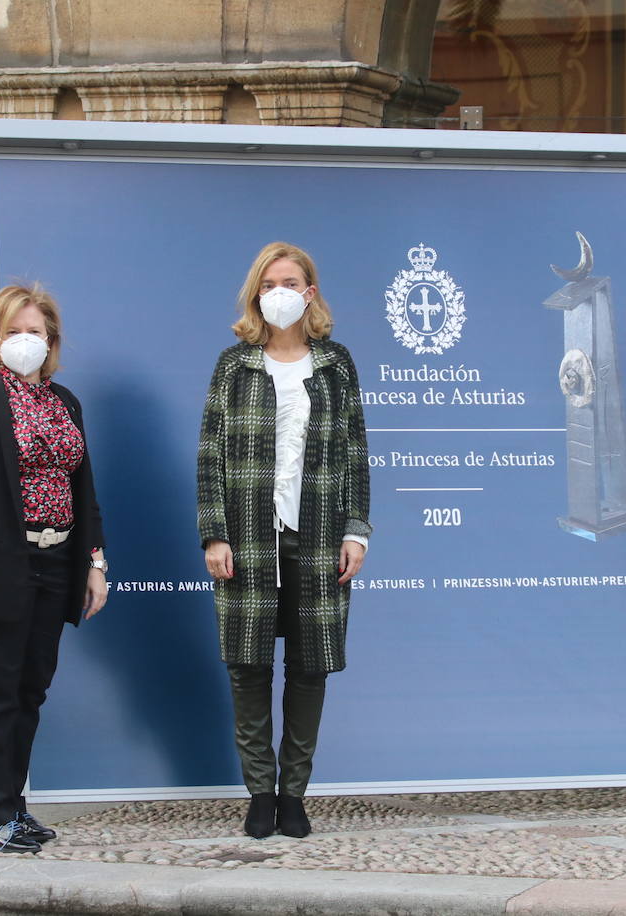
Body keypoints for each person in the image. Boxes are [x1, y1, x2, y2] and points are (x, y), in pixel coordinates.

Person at [197, 241, 372, 839]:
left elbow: (356, 456)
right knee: (248, 667)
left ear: (309, 292)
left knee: (309, 667)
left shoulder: (337, 364)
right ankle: (259, 794)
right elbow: (209, 458)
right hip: (248, 540)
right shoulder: (233, 365)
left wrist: (357, 532)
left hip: (318, 538)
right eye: (269, 281)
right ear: (256, 293)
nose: (280, 291)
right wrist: (214, 535)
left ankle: (294, 794)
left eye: (290, 281)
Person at [0, 283, 108, 852]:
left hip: (58, 560)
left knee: (31, 689)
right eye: (14, 330)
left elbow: (82, 490)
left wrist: (94, 561)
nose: (25, 341)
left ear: (51, 340)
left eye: (35, 331)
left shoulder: (67, 402)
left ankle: (15, 806)